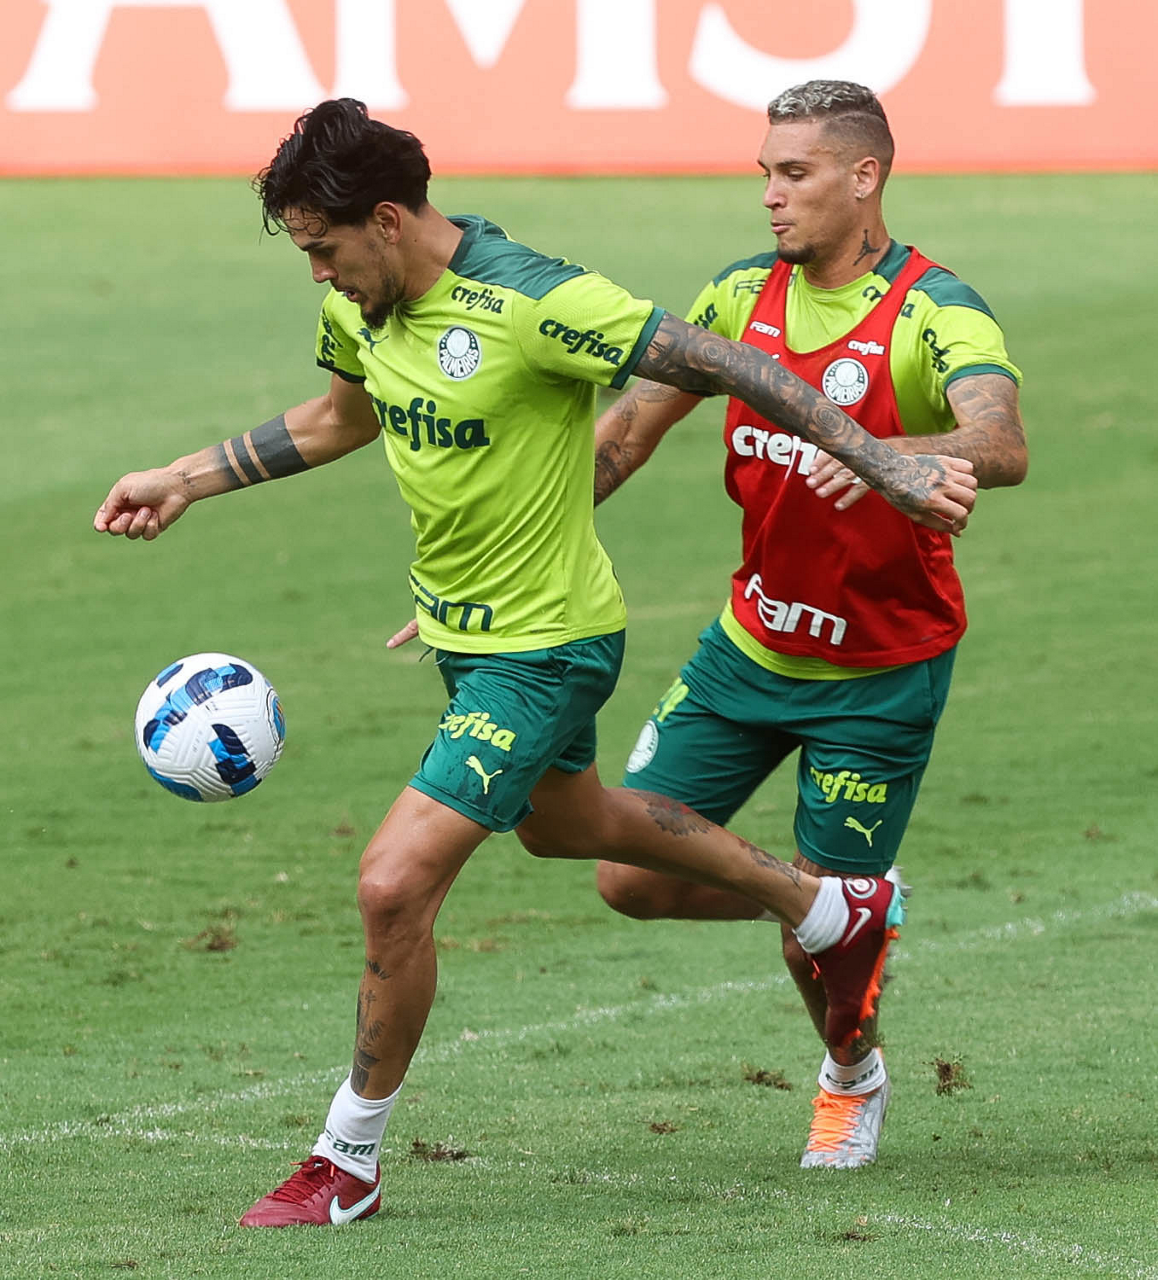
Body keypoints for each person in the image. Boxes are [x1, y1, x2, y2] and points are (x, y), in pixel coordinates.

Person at [92, 99, 978, 1227]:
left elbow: (730, 363)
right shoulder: (363, 303)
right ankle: (822, 905)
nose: (317, 273)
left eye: (324, 248)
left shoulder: (538, 300)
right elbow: (335, 420)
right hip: (463, 644)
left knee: (393, 883)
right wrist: (185, 476)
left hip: (548, 649)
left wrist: (884, 462)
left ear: (388, 218)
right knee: (570, 825)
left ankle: (345, 1159)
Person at [590, 80, 1027, 1170]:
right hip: (747, 647)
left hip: (880, 669)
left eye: (795, 173)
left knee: (812, 952)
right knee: (628, 874)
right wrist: (502, 548)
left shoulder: (935, 309)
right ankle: (835, 902)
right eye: (766, 174)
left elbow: (1001, 441)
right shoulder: (741, 295)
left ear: (864, 175)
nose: (771, 196)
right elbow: (626, 433)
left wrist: (884, 453)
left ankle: (850, 1072)